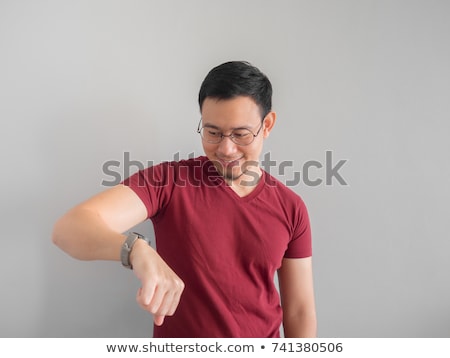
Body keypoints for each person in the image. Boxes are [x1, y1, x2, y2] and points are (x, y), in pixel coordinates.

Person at [52, 61, 317, 338]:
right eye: (213, 132)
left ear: (267, 125)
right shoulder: (168, 182)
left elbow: (299, 310)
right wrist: (136, 250)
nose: (226, 149)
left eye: (240, 134)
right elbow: (68, 229)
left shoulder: (291, 207)